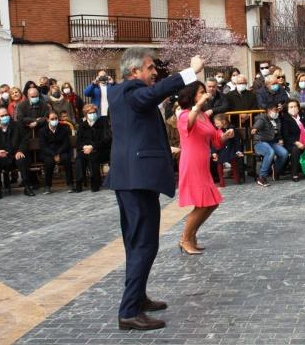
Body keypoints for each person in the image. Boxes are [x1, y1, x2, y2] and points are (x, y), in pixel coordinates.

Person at [104, 47, 204, 331]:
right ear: (134, 72)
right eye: (149, 68)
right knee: (144, 244)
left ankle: (137, 297)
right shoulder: (132, 92)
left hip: (130, 178)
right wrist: (189, 72)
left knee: (136, 243)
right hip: (137, 180)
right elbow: (152, 94)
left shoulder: (120, 92)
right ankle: (129, 311)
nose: (154, 72)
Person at [176, 82, 234, 255]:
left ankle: (191, 236)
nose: (206, 94)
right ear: (193, 96)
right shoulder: (185, 114)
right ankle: (185, 239)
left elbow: (215, 139)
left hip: (203, 163)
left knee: (212, 203)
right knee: (202, 204)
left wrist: (224, 136)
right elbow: (187, 126)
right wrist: (199, 104)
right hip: (191, 162)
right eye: (201, 92)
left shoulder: (203, 115)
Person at [0, 107, 34, 198]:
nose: (5, 117)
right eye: (2, 115)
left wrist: (20, 150)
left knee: (22, 159)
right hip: (0, 156)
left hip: (15, 155)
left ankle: (27, 187)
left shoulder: (17, 126)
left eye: (6, 115)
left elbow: (25, 140)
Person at [75, 104, 111, 192]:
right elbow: (78, 142)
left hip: (100, 150)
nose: (92, 114)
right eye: (90, 113)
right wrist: (85, 147)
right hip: (85, 150)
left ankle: (95, 184)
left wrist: (93, 146)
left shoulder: (102, 123)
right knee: (79, 159)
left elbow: (106, 139)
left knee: (93, 157)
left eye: (94, 112)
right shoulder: (82, 125)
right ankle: (79, 184)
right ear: (85, 114)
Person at [251, 102, 288, 187]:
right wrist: (255, 129)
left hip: (272, 142)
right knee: (270, 152)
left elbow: (278, 132)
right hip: (260, 142)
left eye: (277, 110)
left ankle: (275, 169)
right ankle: (262, 177)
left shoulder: (277, 119)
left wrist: (280, 139)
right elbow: (257, 126)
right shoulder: (262, 118)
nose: (276, 112)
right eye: (275, 110)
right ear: (268, 110)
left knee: (284, 153)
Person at [38, 111, 75, 194]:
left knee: (66, 158)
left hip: (61, 152)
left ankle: (70, 185)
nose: (54, 120)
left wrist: (58, 153)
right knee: (49, 162)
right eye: (52, 119)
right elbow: (43, 147)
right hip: (48, 153)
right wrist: (54, 154)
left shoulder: (63, 129)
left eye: (56, 118)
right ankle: (47, 186)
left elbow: (66, 144)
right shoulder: (42, 131)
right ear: (47, 120)